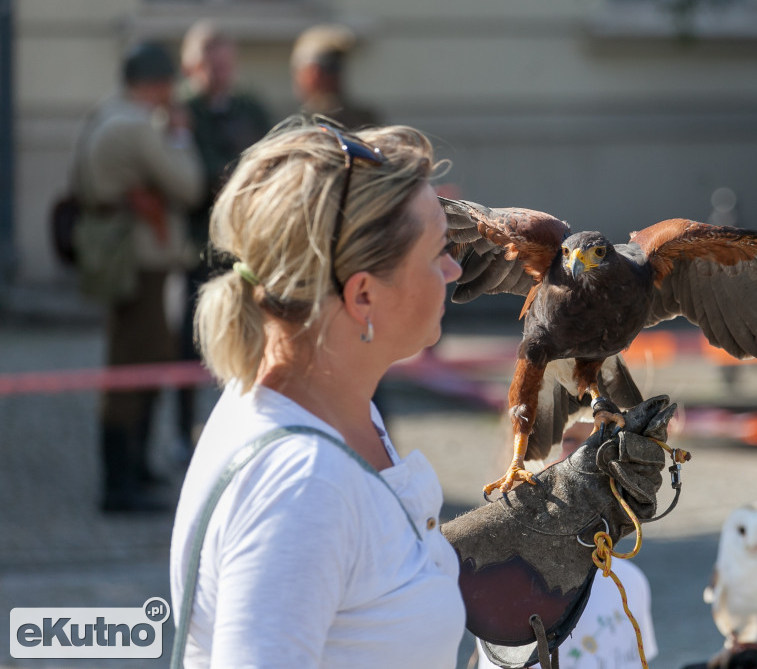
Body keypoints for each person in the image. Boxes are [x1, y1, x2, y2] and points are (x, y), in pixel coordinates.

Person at [169, 118, 465, 666]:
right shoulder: (303, 481)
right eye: (436, 254)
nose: (452, 269)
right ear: (363, 296)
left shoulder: (322, 401)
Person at [75, 41, 204, 513]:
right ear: (155, 84)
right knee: (136, 363)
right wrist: (181, 137)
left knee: (141, 357)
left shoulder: (104, 114)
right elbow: (188, 186)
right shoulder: (135, 126)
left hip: (123, 256)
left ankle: (134, 470)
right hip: (142, 261)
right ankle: (120, 483)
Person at [475, 412, 660, 669]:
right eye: (569, 441)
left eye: (604, 441)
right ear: (519, 460)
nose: (591, 458)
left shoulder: (630, 583)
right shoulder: (505, 588)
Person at [176, 20, 273, 457]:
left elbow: (270, 158)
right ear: (192, 66)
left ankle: (243, 422)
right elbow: (191, 172)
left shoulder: (250, 108)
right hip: (196, 241)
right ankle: (183, 430)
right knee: (191, 341)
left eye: (225, 65)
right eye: (210, 66)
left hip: (247, 242)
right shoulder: (181, 110)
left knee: (249, 332)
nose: (220, 74)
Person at [291, 23, 381, 129]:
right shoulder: (301, 122)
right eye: (328, 68)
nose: (332, 77)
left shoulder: (361, 120)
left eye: (334, 68)